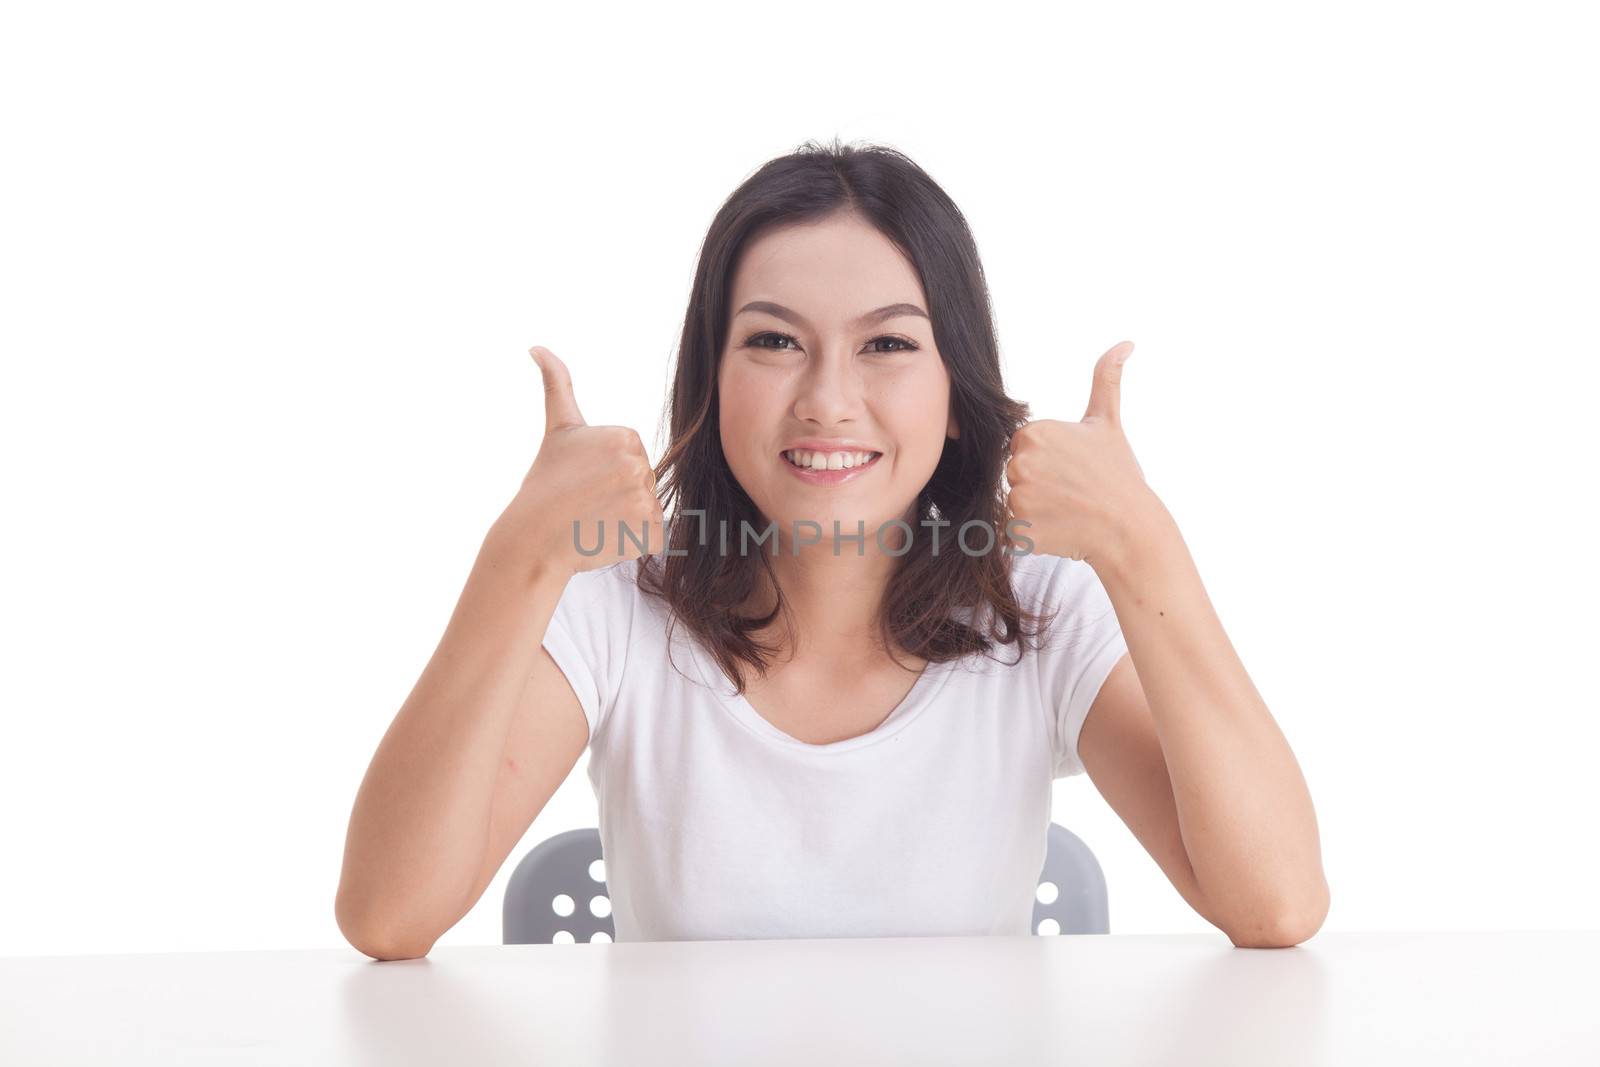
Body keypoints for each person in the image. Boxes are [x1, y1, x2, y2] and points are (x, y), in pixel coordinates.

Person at [335, 138, 1329, 959]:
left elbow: (1275, 906)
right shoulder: (616, 608)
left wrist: (1141, 546)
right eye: (773, 341)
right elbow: (387, 914)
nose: (826, 399)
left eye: (888, 344)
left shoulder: (1041, 606)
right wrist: (519, 557)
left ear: (954, 393)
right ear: (711, 380)